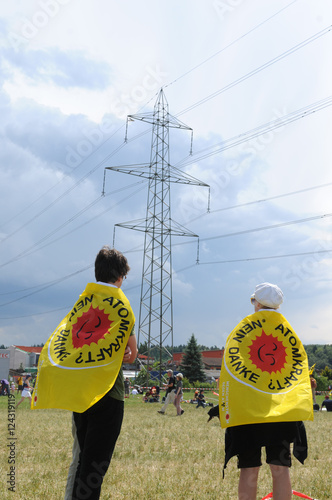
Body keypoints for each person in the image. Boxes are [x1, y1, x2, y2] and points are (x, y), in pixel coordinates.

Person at [32, 246, 137, 500]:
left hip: (81, 395)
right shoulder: (123, 307)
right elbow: (131, 354)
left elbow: (68, 340)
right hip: (108, 394)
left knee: (82, 463)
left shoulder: (83, 303)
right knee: (94, 469)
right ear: (120, 277)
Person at [219, 283, 313, 500]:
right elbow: (298, 373)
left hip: (248, 411)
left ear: (258, 303)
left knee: (249, 469)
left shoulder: (241, 330)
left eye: (253, 301)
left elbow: (230, 371)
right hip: (280, 411)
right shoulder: (289, 332)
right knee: (280, 468)